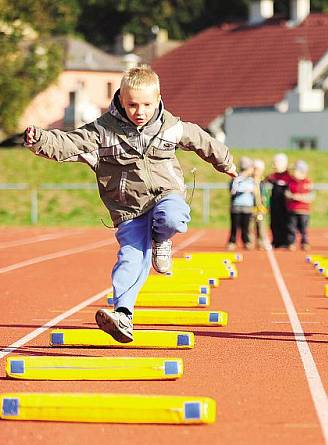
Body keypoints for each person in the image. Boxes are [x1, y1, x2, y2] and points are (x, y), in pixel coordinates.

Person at [23, 65, 236, 343]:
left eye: (147, 104)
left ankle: (162, 240)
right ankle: (123, 314)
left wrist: (227, 163)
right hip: (127, 208)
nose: (140, 111)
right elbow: (69, 142)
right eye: (133, 104)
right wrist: (40, 139)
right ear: (121, 100)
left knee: (172, 217)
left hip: (165, 194)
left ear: (158, 99)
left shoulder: (170, 127)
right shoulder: (103, 130)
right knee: (130, 258)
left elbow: (202, 140)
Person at [227, 157, 256, 250]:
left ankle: (246, 241)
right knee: (235, 226)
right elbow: (232, 191)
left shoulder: (251, 180)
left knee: (246, 226)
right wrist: (244, 190)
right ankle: (232, 241)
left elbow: (255, 193)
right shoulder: (236, 178)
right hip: (236, 206)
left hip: (248, 206)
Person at [286, 160, 314, 250]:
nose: (293, 172)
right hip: (292, 210)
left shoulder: (308, 182)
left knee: (303, 229)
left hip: (304, 211)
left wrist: (300, 197)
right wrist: (292, 196)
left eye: (295, 170)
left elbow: (311, 196)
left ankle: (304, 242)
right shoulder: (291, 182)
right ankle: (291, 242)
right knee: (291, 227)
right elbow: (287, 194)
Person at [266, 153, 292, 248]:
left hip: (285, 205)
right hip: (274, 204)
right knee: (274, 223)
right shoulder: (272, 176)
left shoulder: (288, 176)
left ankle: (285, 241)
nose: (274, 165)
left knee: (285, 223)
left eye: (275, 163)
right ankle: (275, 241)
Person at [251, 159, 271, 250]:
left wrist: (265, 205)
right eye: (255, 169)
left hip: (261, 207)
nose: (256, 172)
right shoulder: (249, 180)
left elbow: (266, 195)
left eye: (258, 170)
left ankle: (261, 242)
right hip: (251, 207)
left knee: (261, 226)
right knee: (250, 226)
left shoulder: (263, 181)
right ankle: (250, 242)